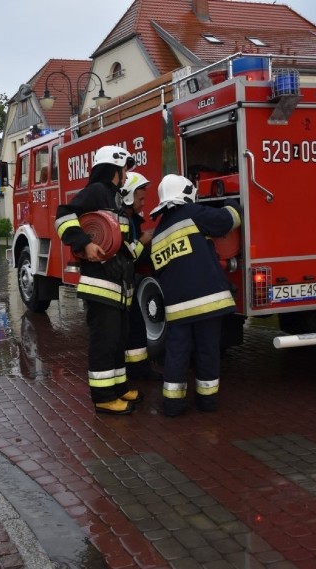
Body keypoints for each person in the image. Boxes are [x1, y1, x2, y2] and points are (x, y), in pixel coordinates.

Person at [54, 145, 143, 415]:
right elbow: (63, 215)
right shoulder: (97, 191)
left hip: (118, 286)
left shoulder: (114, 197)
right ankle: (104, 397)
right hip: (101, 286)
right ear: (115, 168)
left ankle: (118, 388)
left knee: (117, 341)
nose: (127, 175)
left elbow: (119, 241)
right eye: (125, 169)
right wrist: (85, 243)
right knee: (104, 342)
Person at [148, 174, 241, 417]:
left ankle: (173, 404)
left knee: (177, 352)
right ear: (186, 193)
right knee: (207, 350)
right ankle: (207, 401)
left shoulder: (158, 235)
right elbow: (229, 220)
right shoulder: (192, 213)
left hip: (177, 308)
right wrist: (231, 203)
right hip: (208, 302)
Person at [120, 172, 161, 382]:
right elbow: (125, 256)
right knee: (129, 329)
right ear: (127, 196)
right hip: (118, 287)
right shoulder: (121, 220)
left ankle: (140, 370)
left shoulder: (132, 219)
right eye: (141, 199)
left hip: (127, 286)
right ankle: (133, 372)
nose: (144, 203)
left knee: (136, 328)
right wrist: (144, 242)